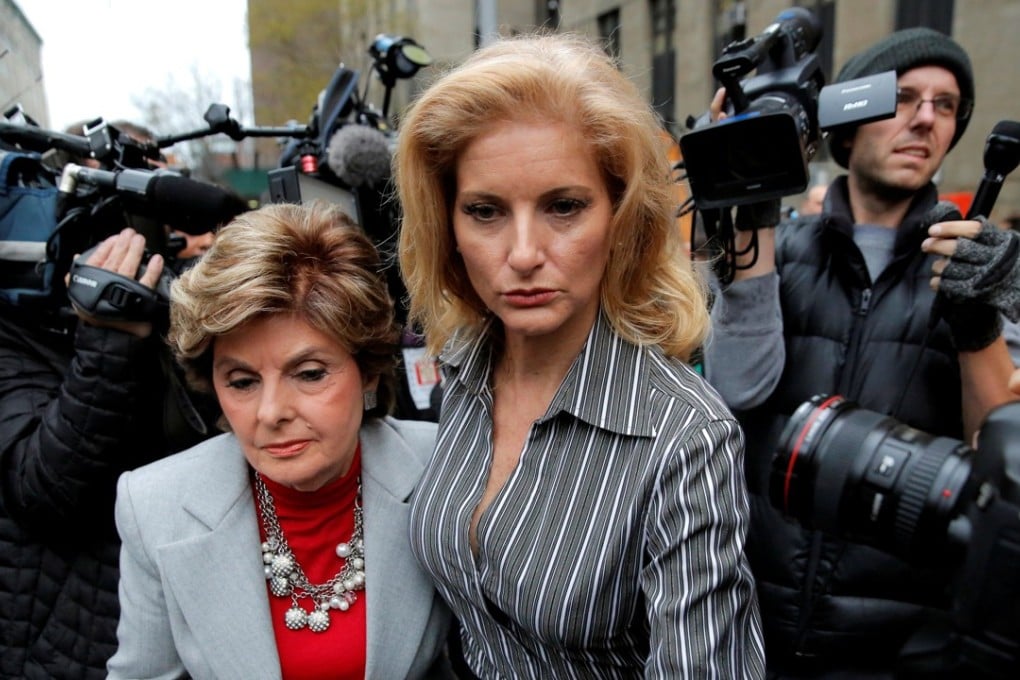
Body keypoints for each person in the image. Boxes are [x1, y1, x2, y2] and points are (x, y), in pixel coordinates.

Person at [396, 32, 764, 678]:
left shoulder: (686, 439)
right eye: (485, 211)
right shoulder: (462, 367)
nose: (523, 253)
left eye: (563, 207)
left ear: (621, 217)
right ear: (446, 224)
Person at [702, 27, 1017, 677]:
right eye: (902, 97)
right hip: (749, 624)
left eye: (947, 105)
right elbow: (737, 387)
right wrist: (752, 211)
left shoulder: (981, 268)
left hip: (899, 642)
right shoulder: (780, 251)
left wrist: (977, 323)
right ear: (846, 123)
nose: (926, 118)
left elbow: (1000, 459)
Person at [105, 201, 452, 679]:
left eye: (309, 374)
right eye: (242, 381)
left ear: (368, 371)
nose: (270, 413)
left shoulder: (445, 467)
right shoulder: (155, 506)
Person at [0, 222, 219, 678]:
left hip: (168, 609)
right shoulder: (15, 335)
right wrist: (108, 338)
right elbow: (41, 490)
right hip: (64, 637)